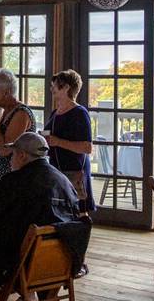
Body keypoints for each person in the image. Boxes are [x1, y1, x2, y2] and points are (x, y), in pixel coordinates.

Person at [0, 132, 80, 301]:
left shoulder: (15, 181)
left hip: (18, 263)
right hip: (59, 262)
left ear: (22, 155)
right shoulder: (63, 181)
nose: (10, 160)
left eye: (12, 154)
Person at [45, 70, 94, 214]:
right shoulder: (55, 113)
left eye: (55, 85)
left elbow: (87, 147)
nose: (51, 88)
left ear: (66, 88)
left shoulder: (79, 113)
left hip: (74, 171)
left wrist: (58, 142)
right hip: (56, 170)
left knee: (79, 213)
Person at [0, 68, 36, 180]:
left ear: (6, 92)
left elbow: (5, 150)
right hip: (4, 177)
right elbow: (0, 141)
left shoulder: (21, 113)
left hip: (16, 178)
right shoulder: (7, 110)